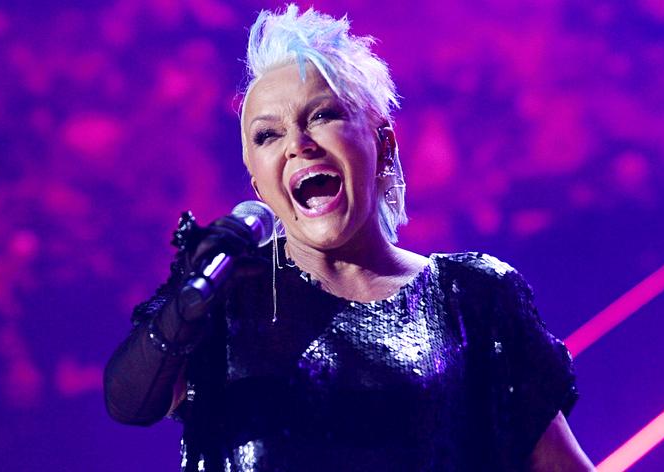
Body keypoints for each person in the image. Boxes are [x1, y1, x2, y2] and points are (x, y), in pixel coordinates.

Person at [104, 5, 595, 471]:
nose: (298, 145)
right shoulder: (225, 293)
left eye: (322, 115)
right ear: (259, 185)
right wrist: (190, 302)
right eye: (268, 135)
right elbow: (130, 404)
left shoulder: (472, 296)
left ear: (383, 144)